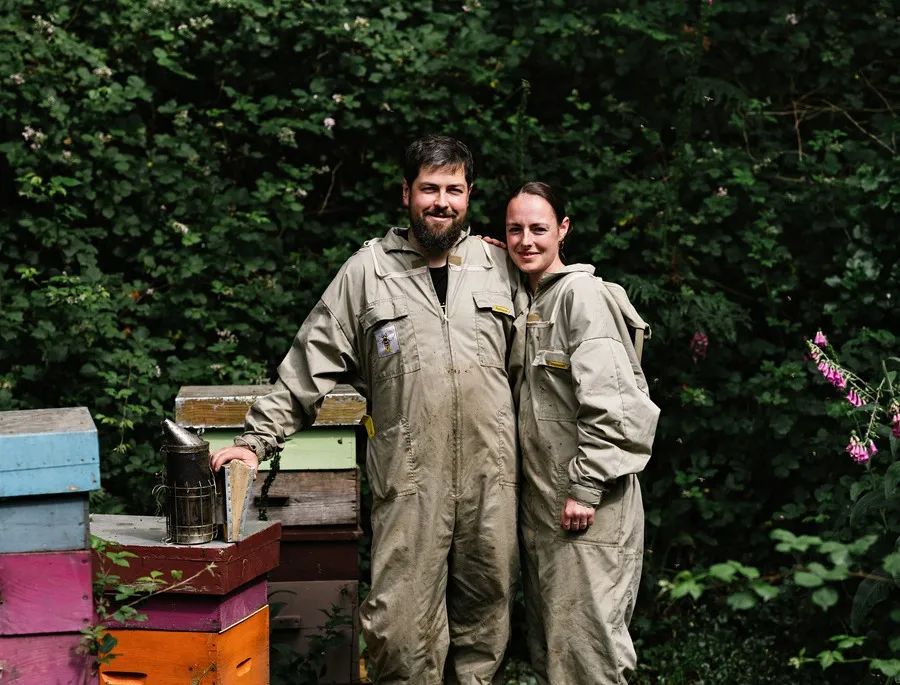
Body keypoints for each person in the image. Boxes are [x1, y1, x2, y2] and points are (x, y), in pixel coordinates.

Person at [210, 136, 521, 685]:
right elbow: (310, 361)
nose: (441, 202)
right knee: (399, 631)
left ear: (470, 195)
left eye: (453, 190)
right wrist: (255, 441)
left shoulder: (500, 266)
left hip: (493, 481)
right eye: (429, 189)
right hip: (409, 481)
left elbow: (540, 373)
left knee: (486, 628)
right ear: (406, 194)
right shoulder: (367, 272)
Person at [504, 182, 660, 684]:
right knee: (557, 655)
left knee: (589, 657)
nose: (526, 240)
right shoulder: (532, 299)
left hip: (588, 509)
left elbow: (615, 405)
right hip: (548, 510)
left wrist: (586, 487)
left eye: (539, 228)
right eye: (514, 230)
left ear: (563, 229)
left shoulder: (581, 296)